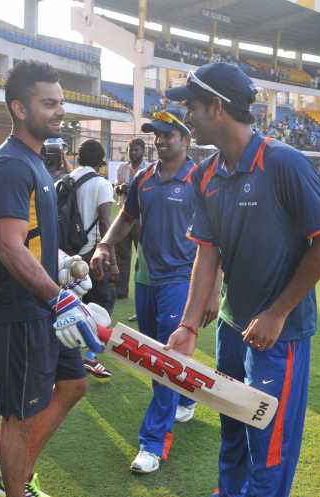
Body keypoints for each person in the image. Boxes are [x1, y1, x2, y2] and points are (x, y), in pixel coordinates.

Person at [164, 63, 320, 497]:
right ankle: (229, 496)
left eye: (192, 108)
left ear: (217, 109)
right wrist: (186, 325)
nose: (187, 118)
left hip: (278, 334)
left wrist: (278, 312)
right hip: (231, 325)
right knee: (232, 421)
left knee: (271, 441)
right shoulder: (204, 175)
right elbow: (207, 255)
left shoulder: (283, 163)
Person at [0, 59, 109, 497]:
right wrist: (59, 298)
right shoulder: (11, 166)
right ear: (19, 107)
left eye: (61, 102)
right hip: (18, 311)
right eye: (48, 103)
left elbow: (31, 238)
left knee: (73, 384)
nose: (59, 111)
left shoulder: (36, 158)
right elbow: (11, 248)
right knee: (16, 415)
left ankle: (19, 476)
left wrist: (65, 265)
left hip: (45, 304)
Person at [91, 110, 217, 474]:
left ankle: (152, 443)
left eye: (168, 135)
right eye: (156, 135)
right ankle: (183, 396)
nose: (160, 141)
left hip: (182, 279)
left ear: (185, 139)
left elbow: (218, 237)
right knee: (152, 355)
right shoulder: (144, 178)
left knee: (164, 359)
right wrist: (104, 245)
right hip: (146, 278)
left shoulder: (200, 179)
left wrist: (214, 289)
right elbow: (126, 217)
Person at [61, 139, 115, 378]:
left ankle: (69, 358)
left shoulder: (64, 180)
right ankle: (89, 357)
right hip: (90, 254)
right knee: (102, 304)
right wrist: (111, 260)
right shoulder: (101, 184)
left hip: (65, 256)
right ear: (101, 161)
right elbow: (105, 222)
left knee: (71, 307)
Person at [114, 137, 147, 300]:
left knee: (143, 255)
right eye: (131, 150)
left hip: (142, 218)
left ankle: (144, 289)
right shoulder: (122, 168)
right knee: (122, 255)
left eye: (136, 150)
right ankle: (121, 290)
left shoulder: (150, 169)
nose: (133, 152)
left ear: (143, 151)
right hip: (124, 216)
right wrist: (121, 188)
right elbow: (116, 190)